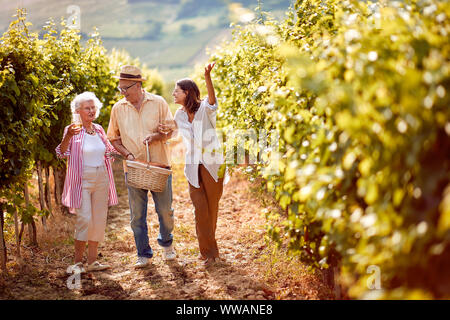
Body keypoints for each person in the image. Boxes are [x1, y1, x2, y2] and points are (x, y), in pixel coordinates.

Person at [107, 65, 177, 269]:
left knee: (165, 211)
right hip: (134, 169)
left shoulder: (158, 102)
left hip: (159, 166)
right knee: (137, 215)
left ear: (138, 85)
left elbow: (170, 130)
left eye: (125, 88)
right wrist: (127, 154)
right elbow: (114, 138)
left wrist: (157, 135)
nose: (122, 93)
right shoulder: (118, 108)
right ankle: (143, 253)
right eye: (120, 88)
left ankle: (167, 244)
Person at [56, 91, 118, 273]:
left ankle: (92, 262)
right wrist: (67, 136)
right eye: (87, 108)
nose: (91, 111)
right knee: (84, 218)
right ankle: (77, 262)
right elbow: (61, 153)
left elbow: (109, 150)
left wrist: (117, 151)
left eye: (93, 107)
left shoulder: (98, 129)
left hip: (101, 177)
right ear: (78, 111)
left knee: (99, 220)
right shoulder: (73, 130)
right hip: (82, 179)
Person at [170, 62, 225, 265]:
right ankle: (209, 252)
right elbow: (173, 134)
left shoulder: (204, 109)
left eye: (176, 91)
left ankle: (208, 252)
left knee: (212, 208)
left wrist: (207, 77)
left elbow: (212, 100)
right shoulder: (179, 115)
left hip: (212, 164)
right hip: (193, 166)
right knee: (199, 208)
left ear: (187, 92)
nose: (173, 94)